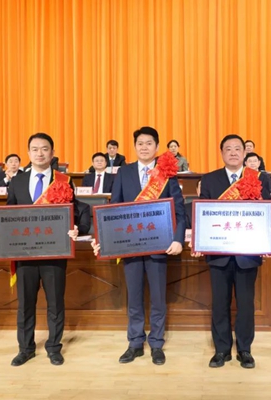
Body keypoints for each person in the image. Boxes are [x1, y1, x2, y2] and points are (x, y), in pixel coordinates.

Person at [0, 133, 90, 367]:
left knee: (55, 302)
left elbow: (76, 211)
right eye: (35, 149)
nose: (40, 153)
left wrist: (77, 228)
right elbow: (8, 214)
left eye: (44, 149)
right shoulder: (17, 181)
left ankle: (54, 347)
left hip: (55, 252)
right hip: (25, 253)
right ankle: (25, 349)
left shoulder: (63, 180)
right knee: (25, 304)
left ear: (52, 153)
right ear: (28, 153)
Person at [92, 126, 186, 366]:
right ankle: (135, 343)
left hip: (159, 246)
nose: (144, 147)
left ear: (157, 147)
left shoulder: (167, 173)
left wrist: (177, 239)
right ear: (134, 147)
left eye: (149, 143)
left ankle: (156, 343)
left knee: (158, 298)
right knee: (133, 297)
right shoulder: (124, 172)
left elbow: (179, 210)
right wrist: (105, 239)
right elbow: (114, 208)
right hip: (131, 246)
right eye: (140, 143)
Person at [191, 135, 271, 370]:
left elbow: (266, 212)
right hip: (219, 253)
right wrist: (199, 241)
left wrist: (267, 240)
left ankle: (245, 349)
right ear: (221, 153)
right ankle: (222, 350)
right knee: (220, 303)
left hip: (248, 253)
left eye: (238, 148)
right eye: (228, 149)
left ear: (245, 153)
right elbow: (202, 214)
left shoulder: (258, 178)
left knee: (246, 304)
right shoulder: (209, 179)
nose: (234, 152)